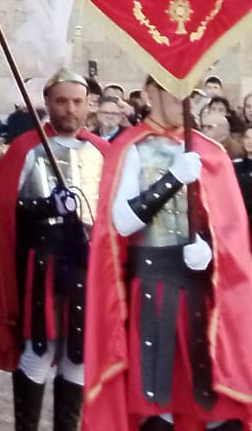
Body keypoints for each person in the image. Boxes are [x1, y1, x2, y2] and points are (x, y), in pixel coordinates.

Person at [84, 76, 252, 430]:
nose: (185, 101)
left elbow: (227, 227)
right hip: (152, 286)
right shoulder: (133, 148)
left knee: (214, 395)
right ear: (150, 94)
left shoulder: (209, 151)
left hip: (201, 289)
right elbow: (123, 222)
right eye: (176, 92)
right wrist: (172, 178)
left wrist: (208, 248)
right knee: (156, 396)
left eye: (192, 94)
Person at [0, 70, 113, 431]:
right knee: (39, 350)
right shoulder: (28, 147)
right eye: (61, 101)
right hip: (43, 265)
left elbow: (115, 213)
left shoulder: (103, 151)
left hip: (88, 266)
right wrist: (45, 205)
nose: (69, 109)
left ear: (89, 104)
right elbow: (1, 207)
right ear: (49, 103)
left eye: (77, 102)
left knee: (78, 354)